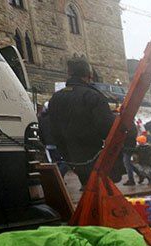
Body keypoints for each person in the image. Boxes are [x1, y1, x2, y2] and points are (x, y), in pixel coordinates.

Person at [46, 56, 119, 188]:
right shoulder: (92, 95)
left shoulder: (55, 98)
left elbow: (53, 128)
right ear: (89, 75)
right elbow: (107, 127)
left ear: (69, 73)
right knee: (102, 192)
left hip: (69, 155)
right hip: (93, 154)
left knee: (89, 191)